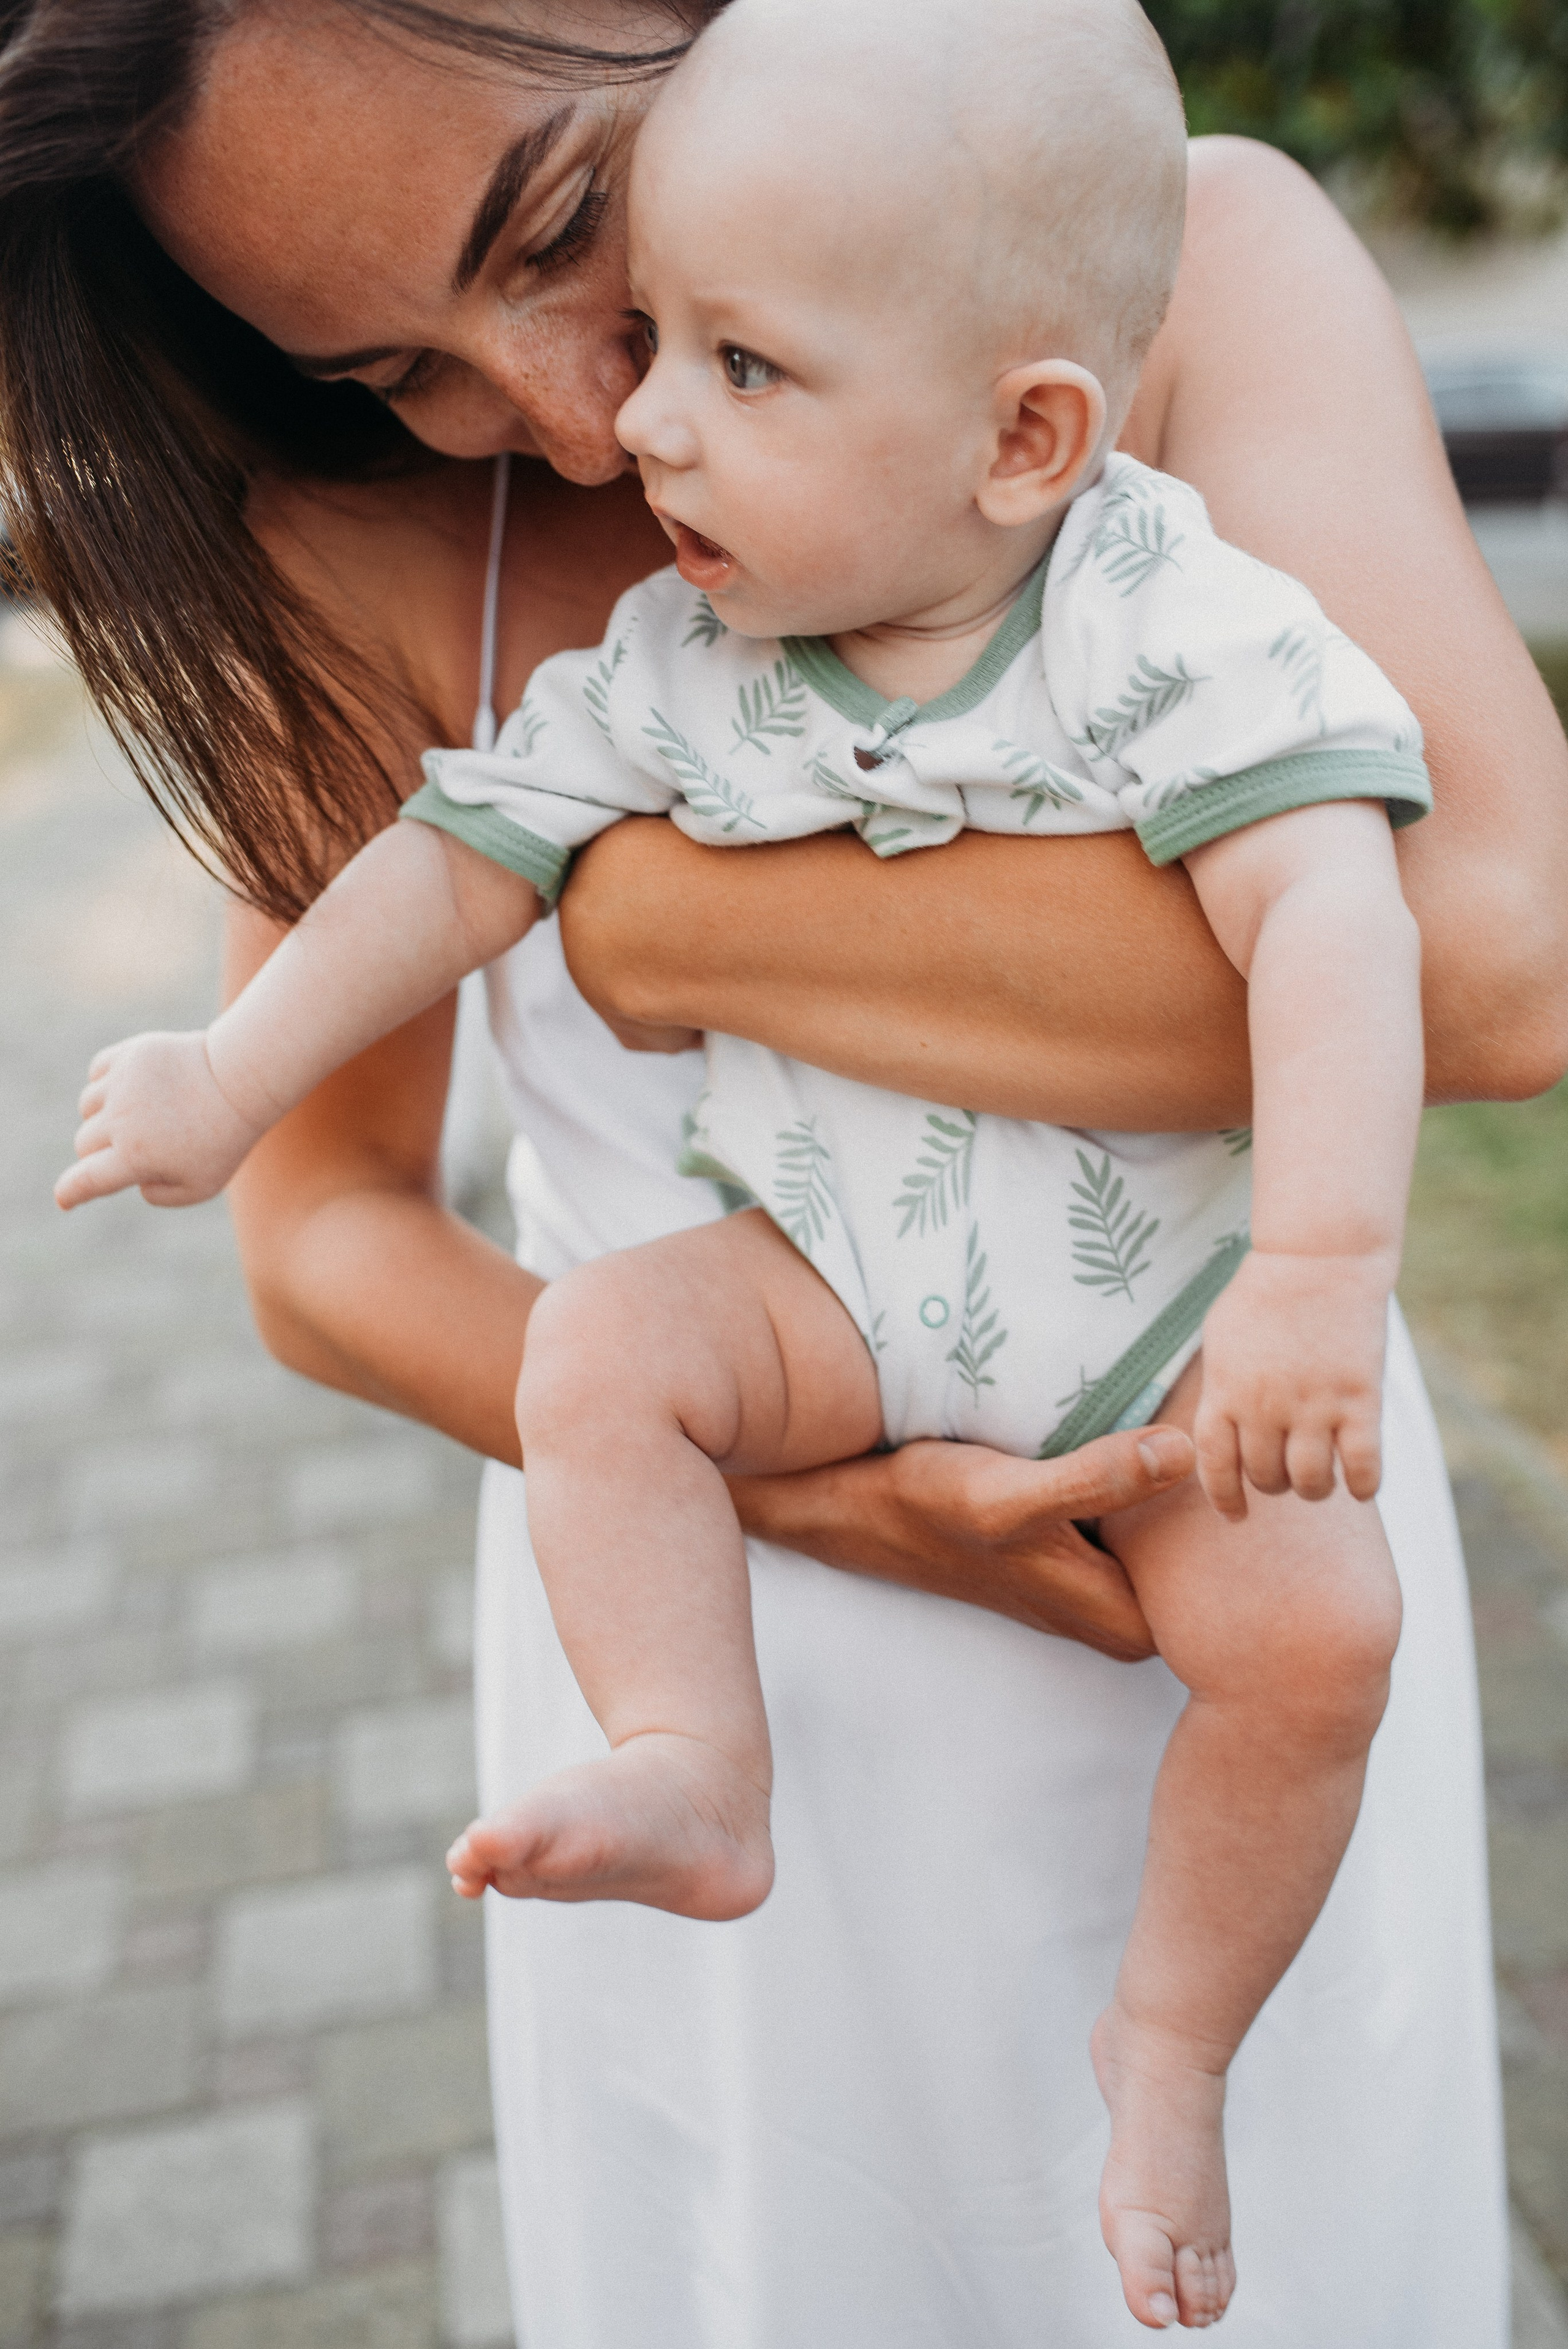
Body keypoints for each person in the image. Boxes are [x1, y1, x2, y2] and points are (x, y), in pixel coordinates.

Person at [2, 0, 1565, 2338]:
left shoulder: (1165, 272)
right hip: (711, 1636)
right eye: (386, 367)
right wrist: (806, 1497)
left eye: (549, 229)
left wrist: (667, 918)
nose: (562, 409)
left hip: (1212, 1519)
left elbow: (1497, 960)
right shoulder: (374, 554)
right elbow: (322, 1238)